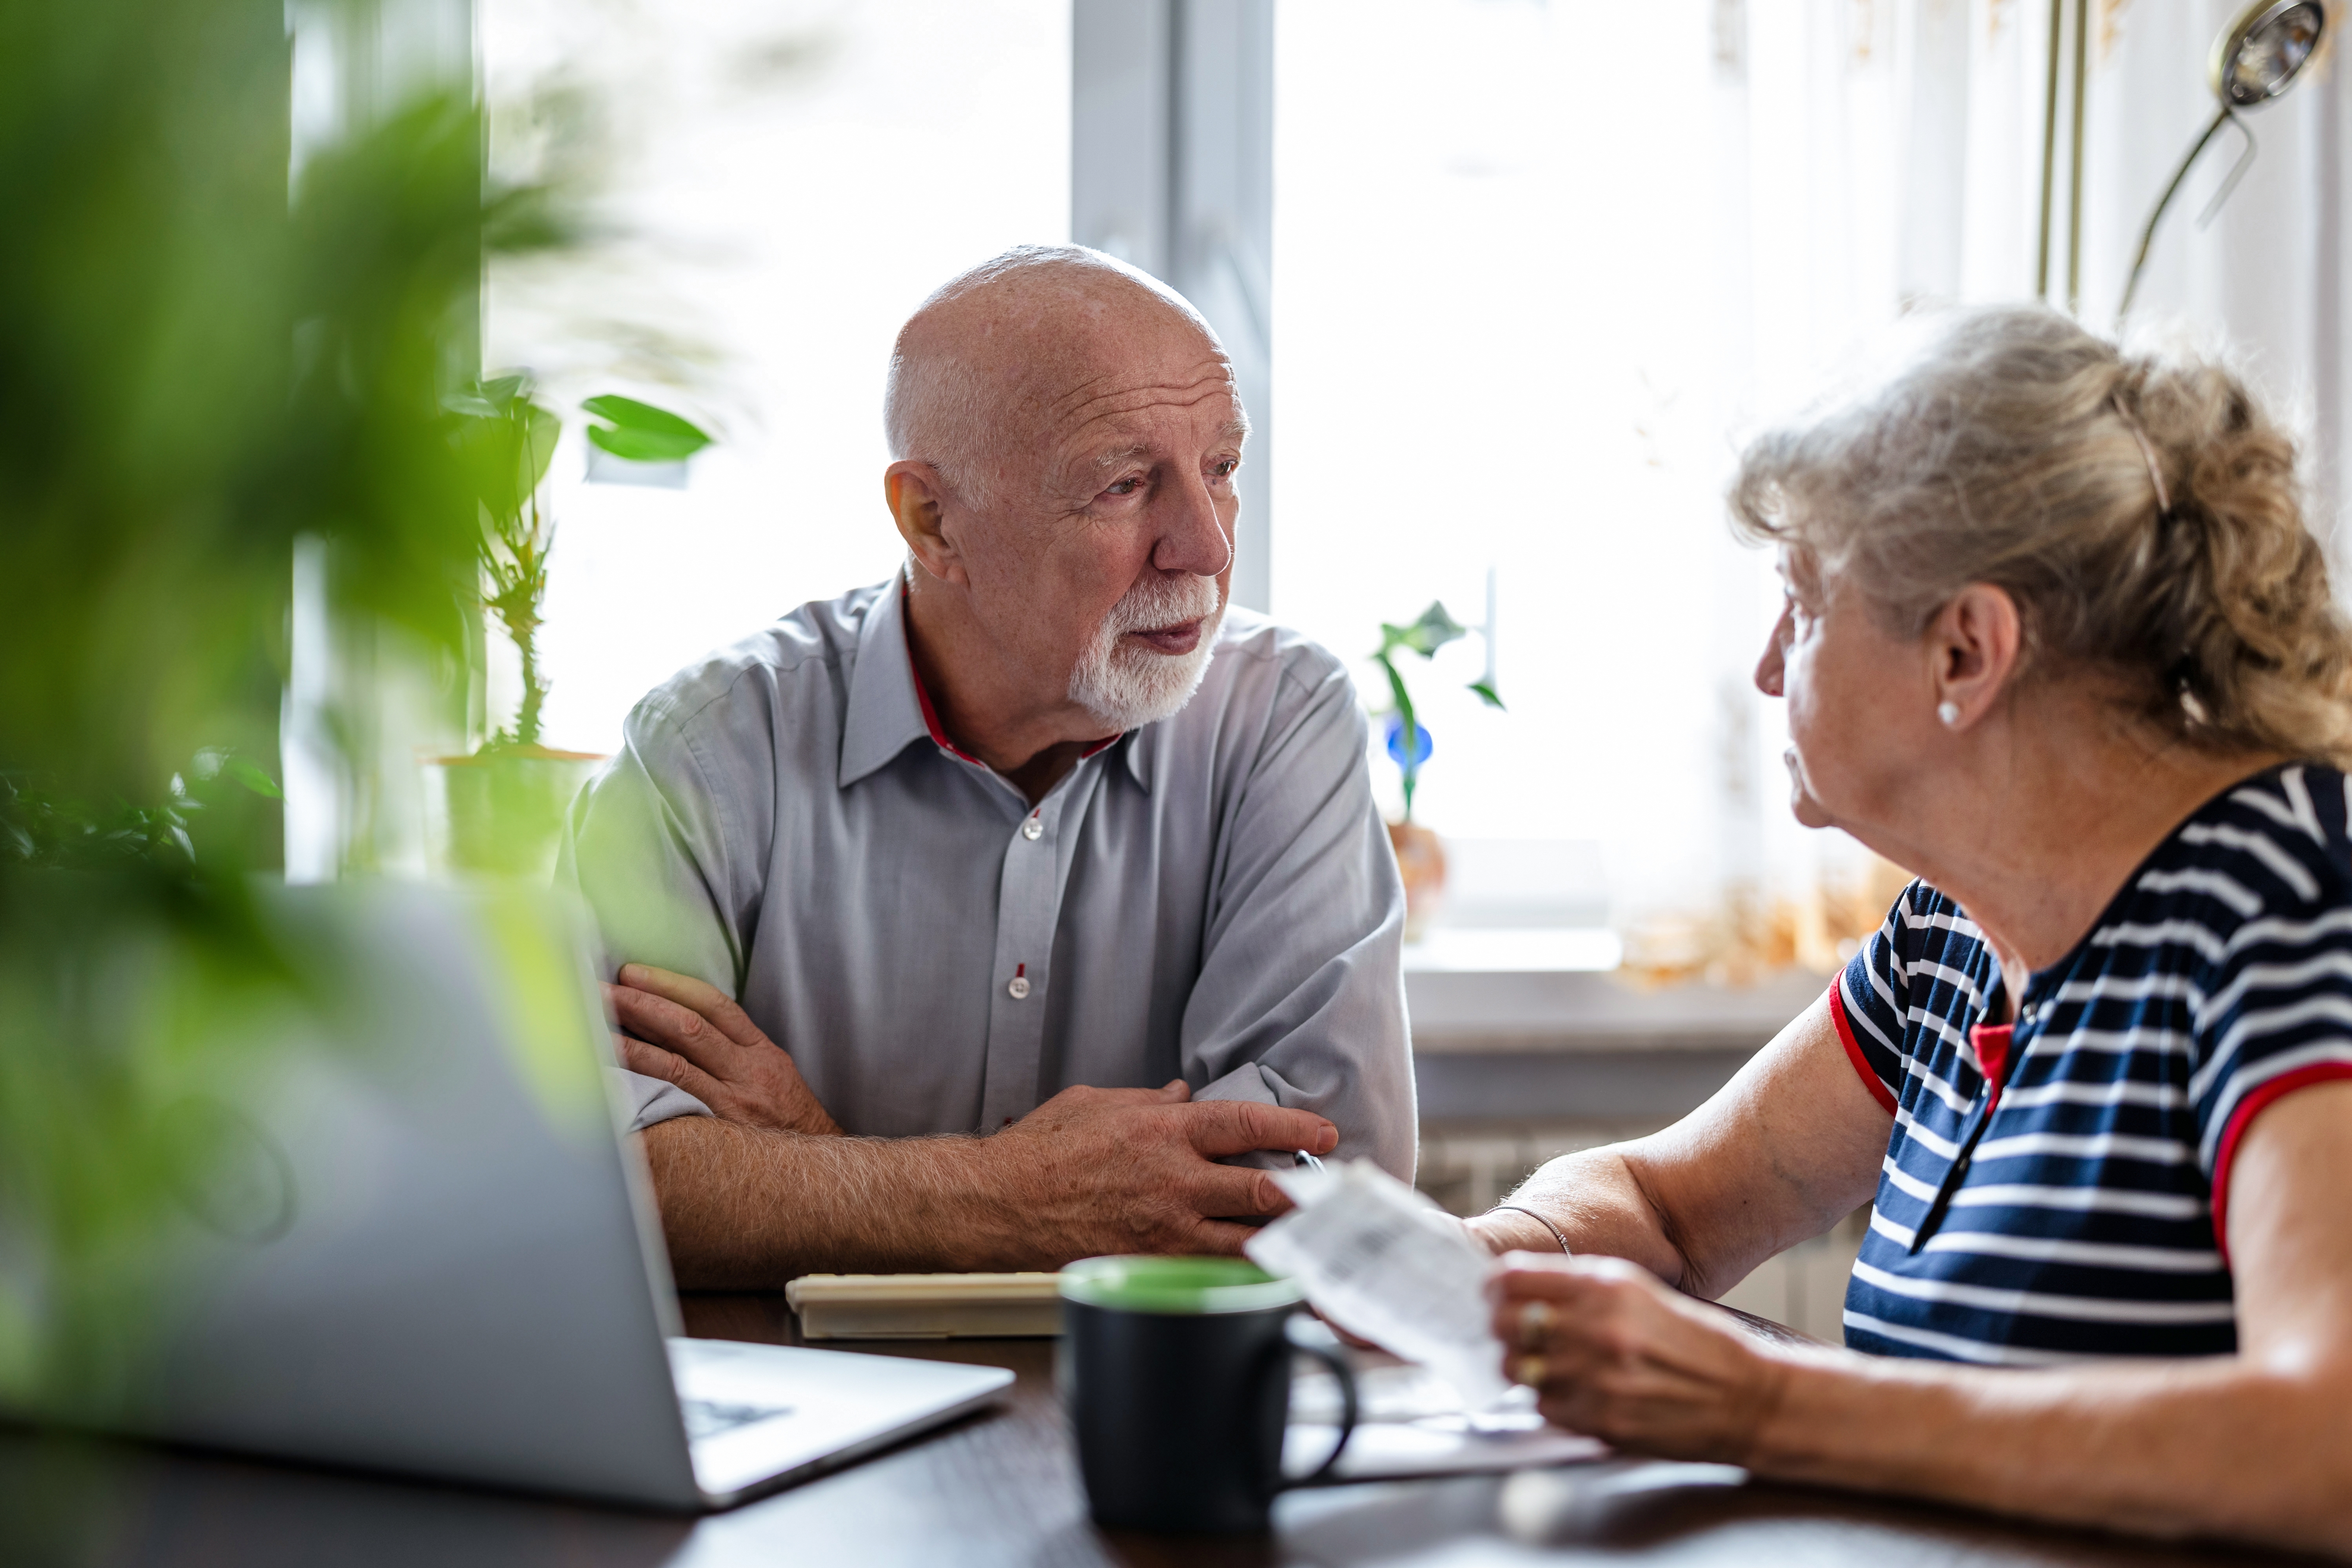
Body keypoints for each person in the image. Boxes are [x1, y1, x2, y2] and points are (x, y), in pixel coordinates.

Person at [1469, 306, 2352, 1557]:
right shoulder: (1955, 934)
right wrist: (1478, 1262)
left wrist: (1767, 1403)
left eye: (1804, 604)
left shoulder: (2292, 905)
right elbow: (1666, 1209)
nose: (1771, 669)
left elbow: (2328, 1450)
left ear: (1965, 652)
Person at [561, 246, 1414, 1285]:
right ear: (933, 520)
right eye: (1124, 484)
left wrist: (810, 1160)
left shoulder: (1283, 717)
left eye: (1223, 469)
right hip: (815, 1417)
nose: (1205, 546)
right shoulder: (709, 751)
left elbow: (1324, 1192)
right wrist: (1015, 1196)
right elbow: (604, 1187)